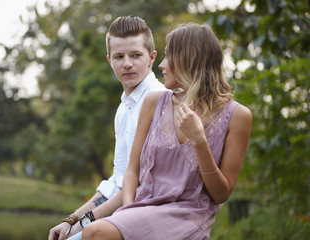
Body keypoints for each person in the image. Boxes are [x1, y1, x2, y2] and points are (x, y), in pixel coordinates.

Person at [80, 22, 253, 240]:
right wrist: (128, 212)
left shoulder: (238, 116)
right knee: (95, 230)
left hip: (188, 215)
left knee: (95, 232)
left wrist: (199, 141)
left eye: (168, 56)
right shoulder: (154, 102)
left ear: (190, 58)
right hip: (140, 207)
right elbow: (131, 171)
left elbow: (220, 195)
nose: (161, 65)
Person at [48, 16, 166, 240]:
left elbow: (141, 184)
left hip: (149, 214)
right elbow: (117, 180)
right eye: (119, 56)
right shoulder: (124, 109)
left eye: (135, 55)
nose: (127, 63)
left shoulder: (160, 101)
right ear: (109, 60)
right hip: (121, 210)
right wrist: (72, 219)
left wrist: (84, 223)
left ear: (151, 58)